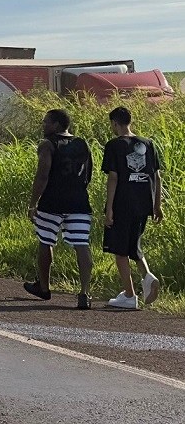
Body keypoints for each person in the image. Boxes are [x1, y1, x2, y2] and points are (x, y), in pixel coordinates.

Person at [23, 109, 94, 310]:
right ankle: (84, 293)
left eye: (46, 122)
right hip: (79, 202)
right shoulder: (82, 144)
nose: (43, 125)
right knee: (82, 244)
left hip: (52, 203)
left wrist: (33, 203)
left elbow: (42, 175)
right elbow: (88, 174)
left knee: (46, 241)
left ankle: (44, 287)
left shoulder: (47, 145)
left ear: (56, 125)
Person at [101, 107, 164, 309]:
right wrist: (157, 205)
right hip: (143, 203)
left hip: (122, 203)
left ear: (115, 123)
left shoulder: (114, 145)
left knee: (120, 251)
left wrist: (109, 209)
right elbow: (156, 176)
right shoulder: (148, 143)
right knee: (134, 246)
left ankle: (129, 295)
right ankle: (147, 277)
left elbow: (114, 177)